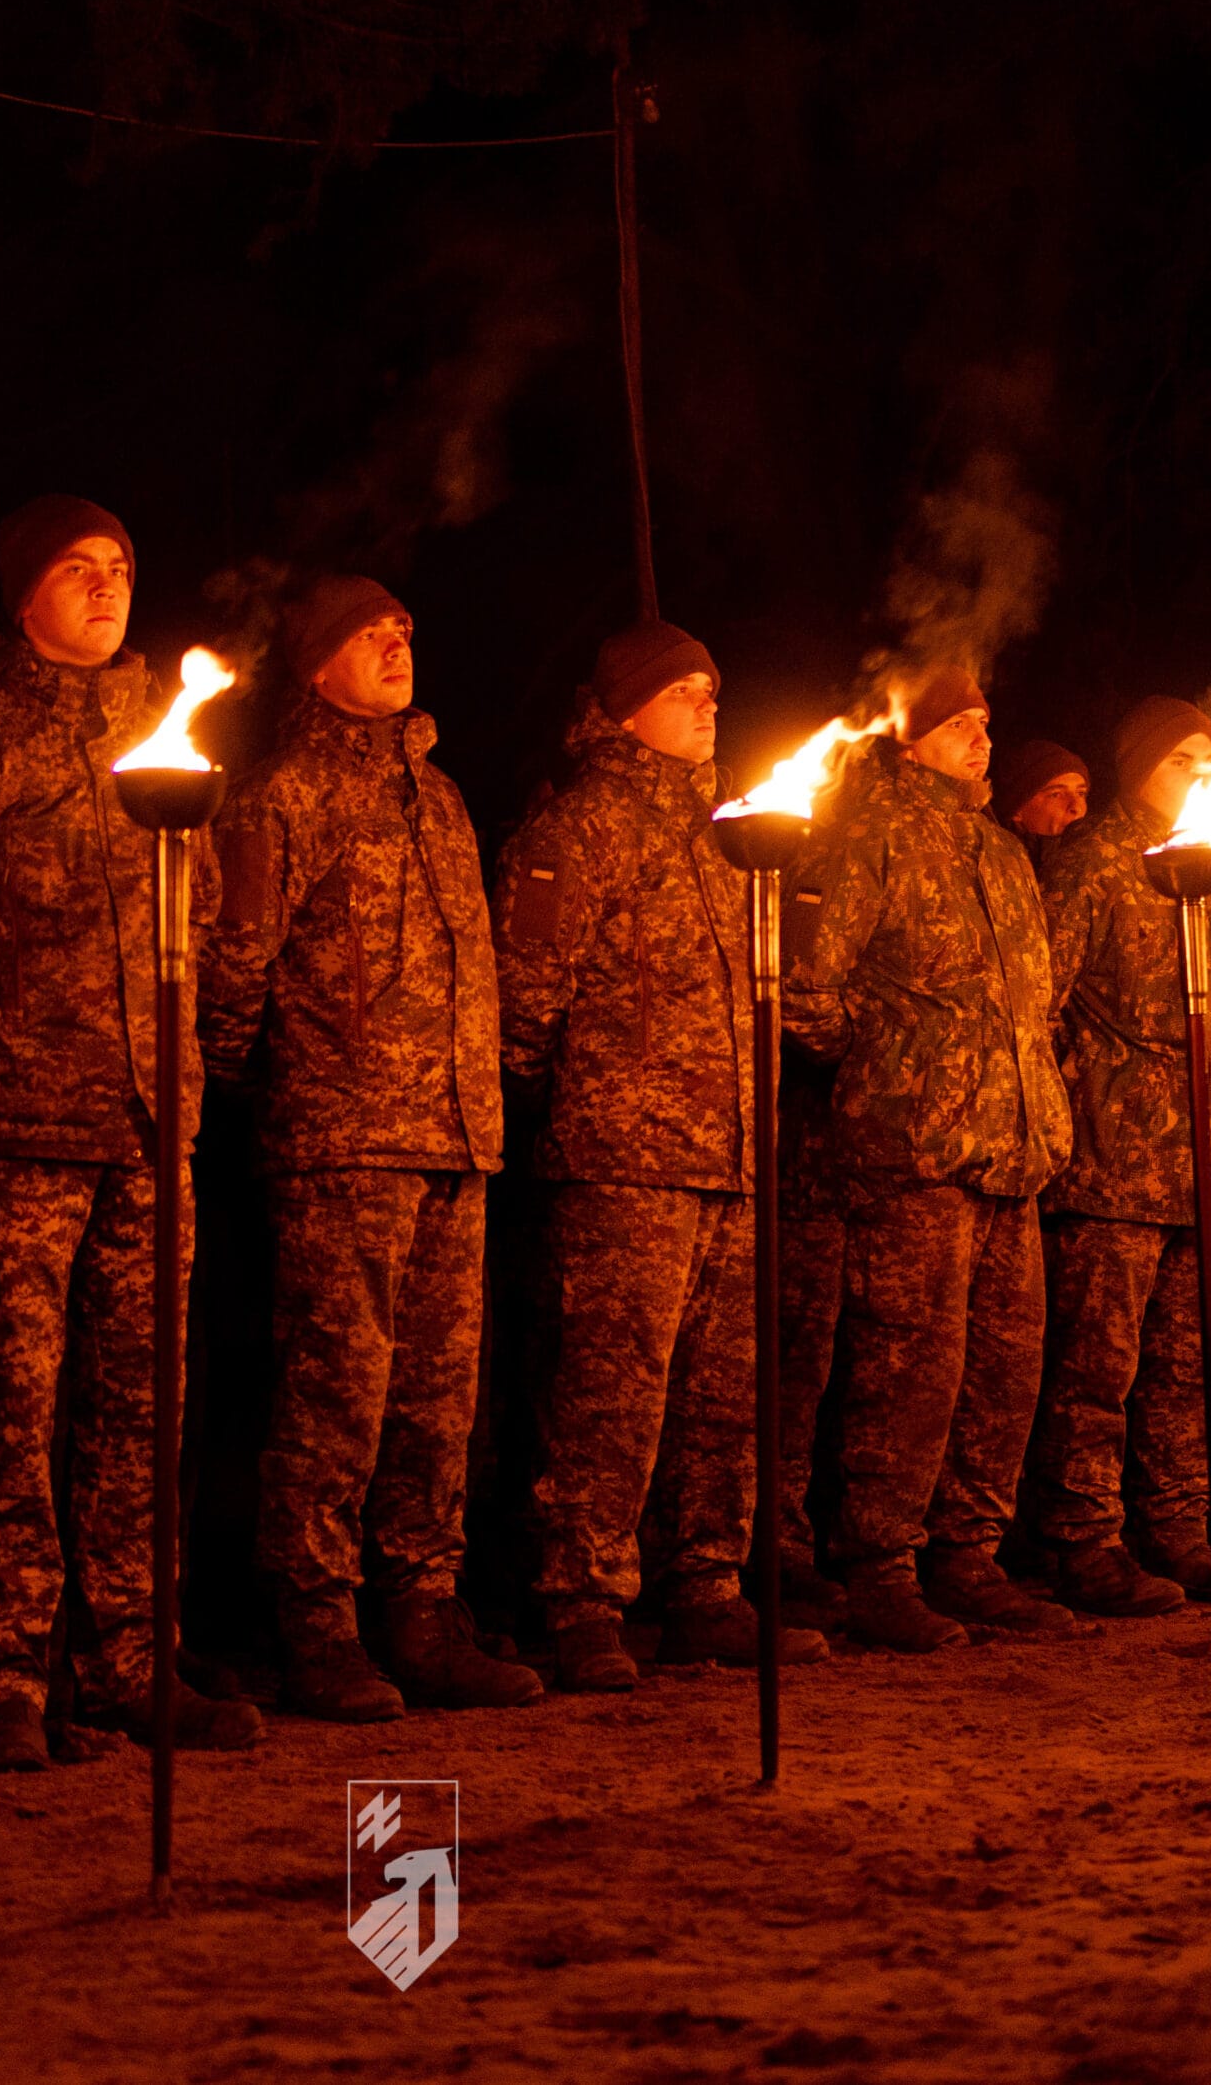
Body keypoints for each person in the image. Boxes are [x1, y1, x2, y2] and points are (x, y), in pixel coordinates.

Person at [0, 495, 262, 1769]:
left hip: (155, 1129)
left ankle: (135, 1666)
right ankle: (6, 1679)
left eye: (122, 567)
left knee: (143, 1414)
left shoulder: (174, 753)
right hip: (19, 1126)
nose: (104, 587)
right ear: (18, 595)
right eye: (74, 569)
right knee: (10, 1413)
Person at [202, 574, 538, 1718]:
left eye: (403, 625)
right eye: (364, 633)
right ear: (311, 666)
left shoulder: (439, 800)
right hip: (343, 1136)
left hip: (454, 1139)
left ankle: (421, 1612)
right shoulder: (277, 799)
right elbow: (232, 969)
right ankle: (314, 1621)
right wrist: (282, 1090)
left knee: (438, 1402)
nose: (395, 644)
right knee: (336, 1393)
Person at [494, 619, 828, 1687]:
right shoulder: (584, 828)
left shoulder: (735, 837)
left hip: (732, 1155)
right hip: (625, 1156)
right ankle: (581, 1597)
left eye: (712, 688)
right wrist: (599, 1103)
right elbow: (524, 1001)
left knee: (723, 1395)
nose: (706, 704)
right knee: (611, 1390)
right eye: (680, 689)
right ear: (624, 708)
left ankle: (705, 1589)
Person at [783, 667, 1077, 1648]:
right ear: (907, 742)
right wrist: (888, 1059)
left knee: (1002, 1372)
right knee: (909, 1371)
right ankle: (881, 1564)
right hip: (914, 1151)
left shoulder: (999, 852)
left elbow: (1028, 1001)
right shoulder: (866, 834)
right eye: (957, 725)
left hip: (1011, 1149)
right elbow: (807, 988)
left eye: (985, 723)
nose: (981, 738)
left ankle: (967, 1556)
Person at [1032, 696, 1211, 1611]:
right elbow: (1039, 1001)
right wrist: (1088, 1102)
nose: (1202, 777)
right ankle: (1081, 1538)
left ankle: (1178, 1530)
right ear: (1138, 771)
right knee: (1100, 1367)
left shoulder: (1206, 873)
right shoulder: (1097, 866)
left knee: (1192, 1366)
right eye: (1182, 761)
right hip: (1117, 1166)